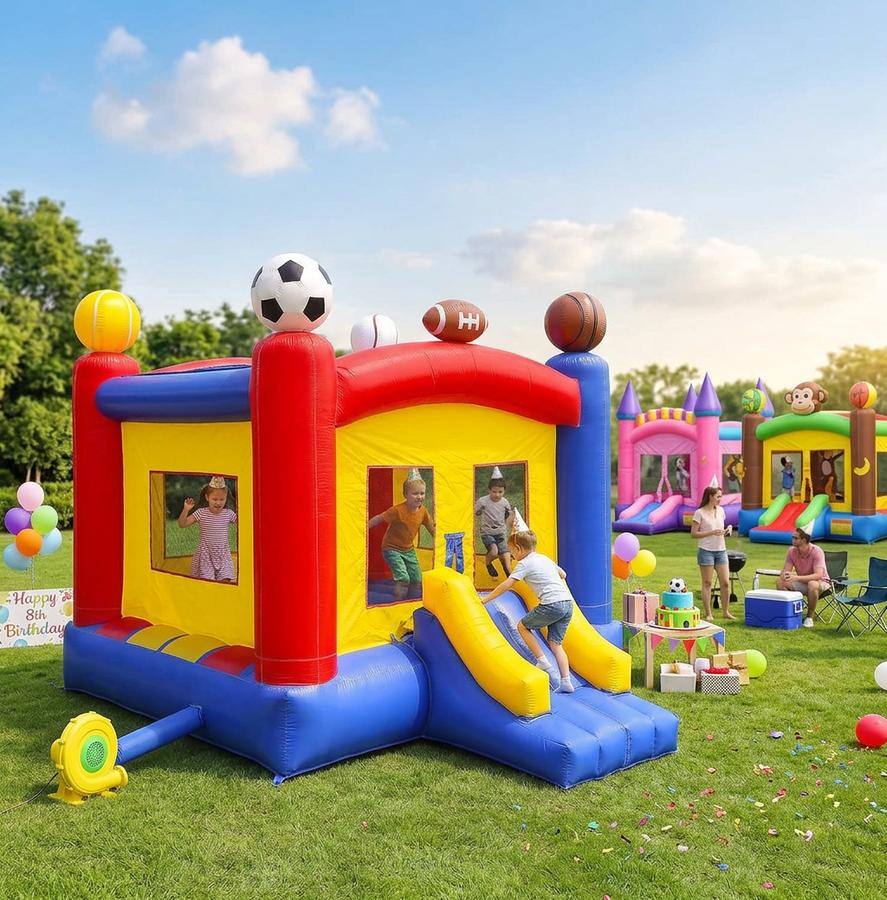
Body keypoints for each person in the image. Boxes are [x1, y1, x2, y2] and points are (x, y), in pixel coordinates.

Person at [484, 530, 575, 693]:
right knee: (556, 644)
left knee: (522, 626)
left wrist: (485, 599)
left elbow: (508, 584)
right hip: (567, 604)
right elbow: (563, 574)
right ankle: (566, 682)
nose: (512, 555)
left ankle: (542, 660)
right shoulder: (543, 558)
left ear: (518, 548)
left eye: (512, 552)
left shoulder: (524, 563)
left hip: (552, 604)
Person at [368, 473, 435, 601]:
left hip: (408, 549)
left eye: (422, 493)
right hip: (391, 548)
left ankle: (410, 603)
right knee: (404, 578)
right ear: (405, 495)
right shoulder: (397, 510)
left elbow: (431, 528)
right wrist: (365, 527)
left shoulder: (423, 512)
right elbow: (380, 518)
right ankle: (398, 603)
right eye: (415, 493)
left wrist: (438, 538)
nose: (419, 497)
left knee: (416, 579)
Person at [178, 476, 237, 583]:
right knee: (208, 583)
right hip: (206, 554)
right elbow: (182, 524)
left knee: (226, 580)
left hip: (223, 553)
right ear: (207, 497)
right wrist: (186, 510)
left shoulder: (229, 514)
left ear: (226, 498)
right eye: (214, 499)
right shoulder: (201, 513)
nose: (218, 503)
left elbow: (243, 525)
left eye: (222, 499)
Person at [690, 486, 735, 620]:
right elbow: (693, 534)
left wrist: (728, 530)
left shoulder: (721, 511)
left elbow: (722, 528)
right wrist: (711, 532)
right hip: (706, 551)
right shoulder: (699, 513)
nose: (720, 499)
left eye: (721, 496)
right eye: (718, 496)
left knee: (725, 582)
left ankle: (726, 612)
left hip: (721, 550)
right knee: (707, 583)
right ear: (710, 496)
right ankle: (708, 613)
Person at [776, 529, 829, 628]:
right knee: (780, 582)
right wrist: (784, 575)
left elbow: (818, 575)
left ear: (804, 540)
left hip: (821, 583)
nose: (793, 540)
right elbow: (786, 570)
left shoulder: (817, 551)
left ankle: (809, 617)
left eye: (795, 538)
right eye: (792, 537)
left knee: (812, 584)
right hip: (804, 583)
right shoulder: (791, 551)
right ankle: (792, 613)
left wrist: (796, 578)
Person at [475, 475, 514, 578]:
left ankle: (509, 573)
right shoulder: (483, 501)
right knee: (494, 551)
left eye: (500, 492)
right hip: (487, 532)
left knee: (505, 553)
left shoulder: (504, 502)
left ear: (504, 491)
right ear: (489, 490)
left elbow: (508, 515)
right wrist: (479, 510)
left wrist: (510, 520)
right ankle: (488, 563)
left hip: (501, 532)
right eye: (494, 492)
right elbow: (474, 512)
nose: (497, 495)